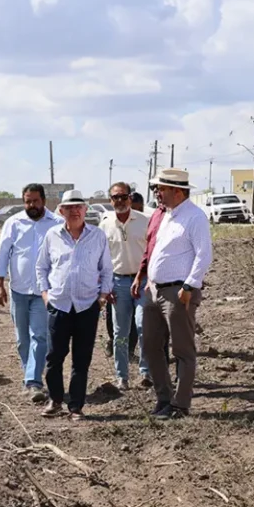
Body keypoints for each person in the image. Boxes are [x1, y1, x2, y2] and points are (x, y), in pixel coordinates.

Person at [134, 168, 212, 419]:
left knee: (182, 350)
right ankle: (164, 398)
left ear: (178, 191)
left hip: (179, 292)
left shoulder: (194, 217)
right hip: (155, 290)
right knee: (151, 346)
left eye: (162, 189)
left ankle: (180, 404)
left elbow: (203, 255)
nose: (157, 193)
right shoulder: (165, 216)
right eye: (157, 188)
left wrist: (189, 286)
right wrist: (149, 279)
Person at [37, 191, 114, 421]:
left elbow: (107, 269)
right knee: (54, 357)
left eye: (78, 206)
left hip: (87, 306)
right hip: (58, 305)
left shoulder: (97, 236)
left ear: (85, 209)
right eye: (69, 207)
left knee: (81, 359)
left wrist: (102, 297)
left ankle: (76, 407)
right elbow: (41, 267)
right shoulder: (52, 235)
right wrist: (45, 294)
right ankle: (55, 400)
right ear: (61, 211)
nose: (74, 211)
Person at [0, 184, 63, 402]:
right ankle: (30, 375)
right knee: (22, 340)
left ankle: (34, 382)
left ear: (43, 201)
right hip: (18, 290)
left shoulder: (56, 224)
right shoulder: (13, 223)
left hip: (44, 292)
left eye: (34, 201)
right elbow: (2, 254)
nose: (31, 205)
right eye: (27, 201)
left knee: (40, 336)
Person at [100, 182, 150, 390]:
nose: (119, 201)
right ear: (110, 200)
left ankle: (146, 373)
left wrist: (146, 277)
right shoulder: (105, 224)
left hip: (143, 280)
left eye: (123, 197)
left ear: (130, 198)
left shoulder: (145, 221)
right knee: (120, 332)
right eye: (115, 198)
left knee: (143, 326)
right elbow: (101, 259)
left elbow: (153, 253)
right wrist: (106, 285)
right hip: (118, 282)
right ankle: (122, 377)